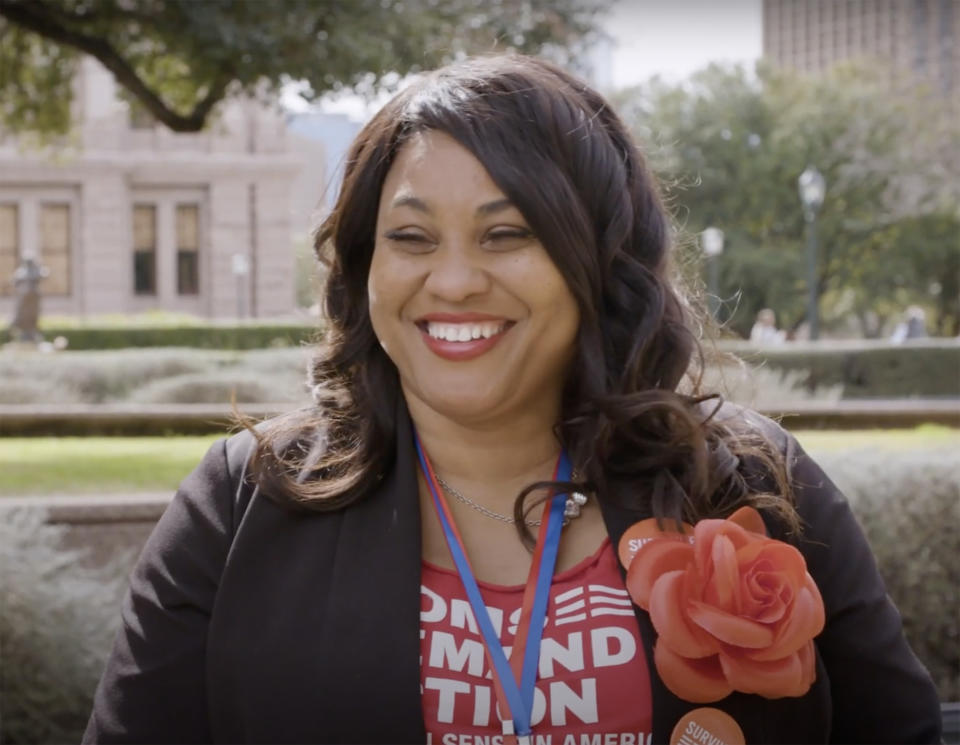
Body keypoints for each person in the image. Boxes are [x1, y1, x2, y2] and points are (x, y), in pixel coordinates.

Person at [84, 55, 941, 744]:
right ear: (363, 266)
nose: (453, 280)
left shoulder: (753, 481)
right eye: (411, 238)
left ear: (596, 262)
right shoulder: (241, 503)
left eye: (507, 234)